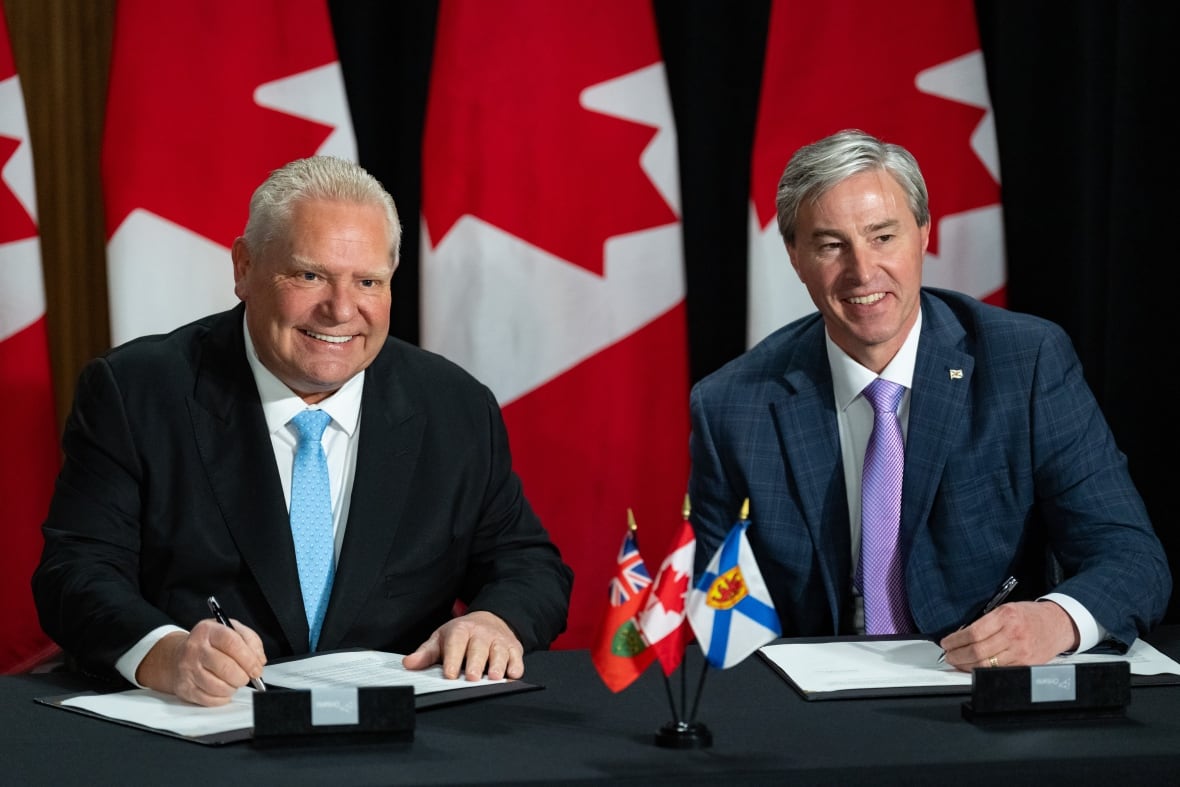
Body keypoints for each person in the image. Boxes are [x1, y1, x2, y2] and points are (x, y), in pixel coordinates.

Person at [33, 156, 573, 706]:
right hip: (202, 728)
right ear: (244, 268)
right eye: (309, 275)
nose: (341, 310)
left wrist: (494, 620)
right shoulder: (138, 392)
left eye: (368, 281)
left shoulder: (454, 406)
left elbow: (529, 565)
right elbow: (76, 572)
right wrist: (163, 652)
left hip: (403, 738)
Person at [687, 129, 1170, 671]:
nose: (862, 272)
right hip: (815, 713)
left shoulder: (1025, 362)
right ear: (795, 257)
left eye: (882, 236)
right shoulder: (731, 407)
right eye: (830, 245)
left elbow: (1132, 558)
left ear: (922, 234)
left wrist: (1055, 621)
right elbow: (721, 618)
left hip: (983, 691)